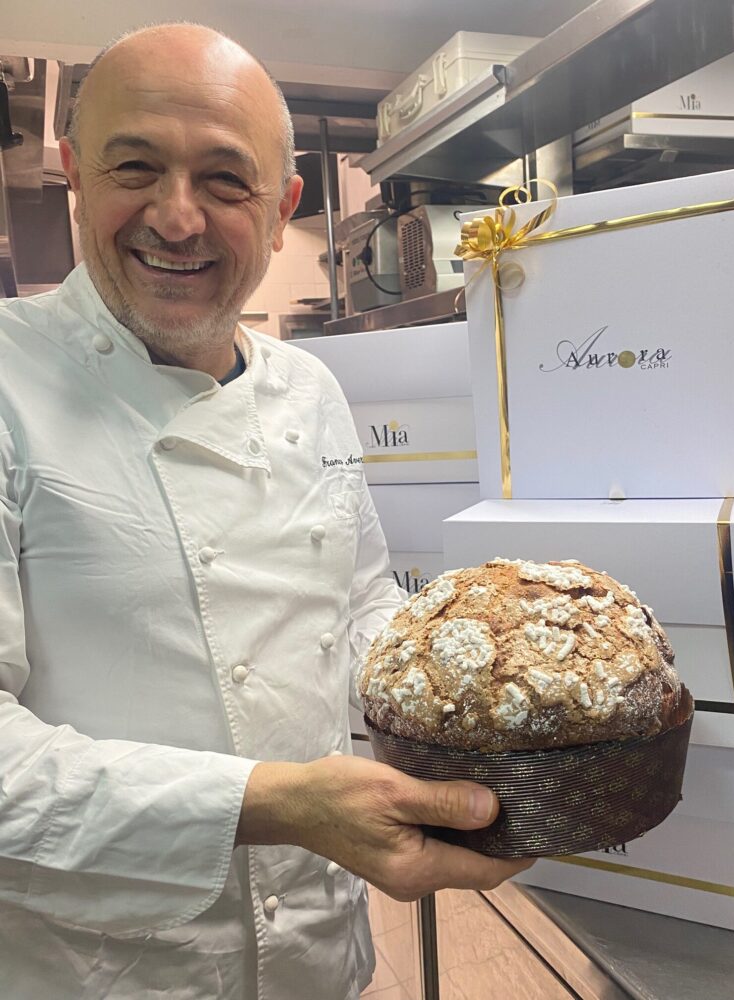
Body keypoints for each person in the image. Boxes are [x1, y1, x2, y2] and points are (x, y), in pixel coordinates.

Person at [0, 23, 532, 1000]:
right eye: (136, 166)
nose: (177, 217)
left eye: (224, 180)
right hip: (97, 970)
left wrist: (489, 674)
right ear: (75, 173)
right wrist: (280, 804)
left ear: (282, 200)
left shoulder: (311, 387)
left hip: (322, 959)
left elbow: (361, 599)